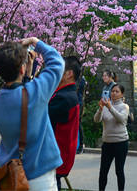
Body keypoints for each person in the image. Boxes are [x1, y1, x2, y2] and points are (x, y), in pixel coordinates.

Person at [0, 37, 64, 191]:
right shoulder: (35, 93)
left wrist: (26, 77)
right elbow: (57, 62)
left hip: (11, 176)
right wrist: (35, 42)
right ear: (22, 69)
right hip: (39, 175)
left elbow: (18, 96)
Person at [49, 56, 82, 190]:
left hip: (54, 158)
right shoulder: (67, 94)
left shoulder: (64, 98)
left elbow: (38, 118)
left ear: (69, 74)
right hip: (59, 157)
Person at [94, 83, 129, 191]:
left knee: (119, 171)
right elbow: (96, 120)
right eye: (112, 91)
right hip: (107, 143)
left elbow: (121, 119)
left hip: (121, 143)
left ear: (122, 94)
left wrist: (110, 108)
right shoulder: (105, 106)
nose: (113, 93)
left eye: (117, 91)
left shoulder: (124, 107)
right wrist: (100, 109)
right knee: (103, 171)